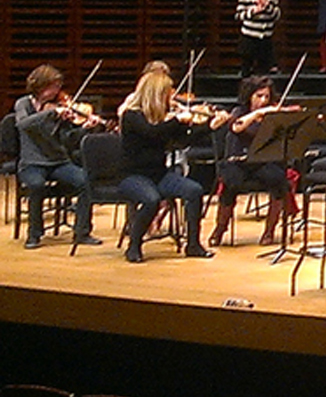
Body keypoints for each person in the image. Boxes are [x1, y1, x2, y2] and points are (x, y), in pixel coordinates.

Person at [117, 69, 224, 262]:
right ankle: (133, 245)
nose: (171, 98)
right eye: (168, 94)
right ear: (156, 95)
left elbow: (182, 140)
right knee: (151, 200)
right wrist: (176, 120)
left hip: (159, 174)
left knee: (194, 190)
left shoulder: (163, 120)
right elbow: (153, 133)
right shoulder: (132, 116)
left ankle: (193, 245)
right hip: (132, 176)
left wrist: (209, 127)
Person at [12, 64, 101, 249]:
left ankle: (82, 232)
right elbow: (23, 125)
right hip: (31, 163)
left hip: (58, 162)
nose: (57, 91)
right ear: (41, 86)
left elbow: (68, 140)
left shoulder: (60, 108)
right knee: (36, 185)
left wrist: (83, 129)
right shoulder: (24, 104)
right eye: (53, 86)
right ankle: (34, 235)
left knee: (85, 181)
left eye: (58, 86)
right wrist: (51, 113)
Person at [209, 74, 298, 247]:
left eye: (266, 97)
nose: (263, 100)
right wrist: (259, 113)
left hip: (264, 163)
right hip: (239, 163)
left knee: (279, 180)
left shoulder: (274, 116)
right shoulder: (239, 112)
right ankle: (220, 229)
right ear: (249, 95)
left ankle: (269, 231)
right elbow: (238, 126)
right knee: (230, 182)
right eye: (259, 96)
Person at [235, 0, 281, 77]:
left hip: (265, 38)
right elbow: (238, 16)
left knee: (263, 72)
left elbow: (277, 15)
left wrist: (268, 7)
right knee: (246, 71)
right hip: (249, 37)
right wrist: (253, 12)